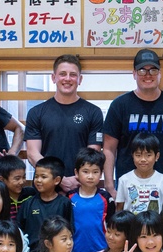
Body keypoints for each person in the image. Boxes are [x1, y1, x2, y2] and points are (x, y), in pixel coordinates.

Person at [103, 49, 163, 196]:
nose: (148, 75)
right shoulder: (119, 105)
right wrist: (110, 185)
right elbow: (109, 148)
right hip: (128, 189)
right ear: (134, 74)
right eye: (142, 70)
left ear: (160, 73)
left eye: (153, 70)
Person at [25, 54, 104, 192]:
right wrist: (58, 178)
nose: (67, 79)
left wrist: (77, 178)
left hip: (81, 187)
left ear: (80, 79)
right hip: (45, 189)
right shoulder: (36, 112)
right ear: (53, 77)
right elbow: (32, 153)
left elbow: (93, 153)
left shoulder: (94, 112)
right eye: (62, 74)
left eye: (73, 75)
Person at [17, 156, 74, 252]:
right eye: (36, 176)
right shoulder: (28, 204)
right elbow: (20, 231)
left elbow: (69, 230)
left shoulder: (64, 203)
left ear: (57, 180)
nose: (38, 180)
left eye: (43, 177)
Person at [70, 148, 114, 252]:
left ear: (101, 173)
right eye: (85, 171)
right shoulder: (69, 197)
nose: (90, 176)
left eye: (95, 172)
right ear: (76, 172)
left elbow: (112, 227)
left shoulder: (106, 198)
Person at [114, 132, 163, 215]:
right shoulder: (124, 180)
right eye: (138, 155)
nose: (143, 159)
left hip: (154, 226)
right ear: (132, 156)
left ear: (157, 156)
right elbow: (119, 209)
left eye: (148, 155)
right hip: (130, 226)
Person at [0, 155, 35, 222]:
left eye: (24, 177)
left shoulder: (31, 194)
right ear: (2, 179)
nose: (22, 182)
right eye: (17, 178)